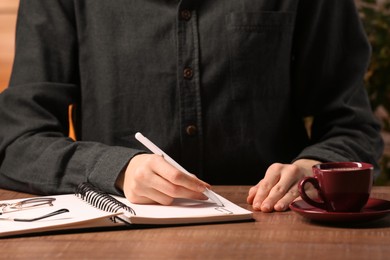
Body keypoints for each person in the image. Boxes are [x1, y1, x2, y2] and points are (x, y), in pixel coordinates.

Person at [0, 0, 383, 212]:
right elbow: (16, 140)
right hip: (117, 235)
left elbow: (351, 124)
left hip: (275, 228)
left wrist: (311, 168)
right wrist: (117, 169)